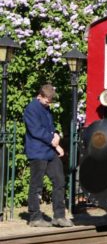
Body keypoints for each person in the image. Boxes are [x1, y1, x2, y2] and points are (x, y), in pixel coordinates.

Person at [23, 84, 73, 227]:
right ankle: (35, 217)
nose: (49, 103)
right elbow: (36, 131)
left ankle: (59, 216)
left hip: (49, 151)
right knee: (36, 185)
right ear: (40, 96)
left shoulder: (46, 108)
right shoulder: (31, 109)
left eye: (50, 101)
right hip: (37, 152)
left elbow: (50, 128)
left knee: (59, 181)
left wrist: (56, 135)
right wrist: (55, 143)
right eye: (47, 100)